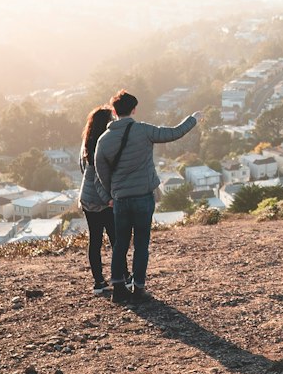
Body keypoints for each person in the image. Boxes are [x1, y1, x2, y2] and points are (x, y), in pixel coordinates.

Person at [94, 89, 200, 304]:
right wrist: (193, 120)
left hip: (121, 199)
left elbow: (100, 170)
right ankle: (139, 289)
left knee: (121, 243)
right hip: (143, 196)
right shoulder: (143, 130)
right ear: (134, 110)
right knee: (141, 243)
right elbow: (173, 133)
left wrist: (111, 194)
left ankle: (118, 289)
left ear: (114, 111)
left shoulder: (104, 140)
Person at [78, 105, 115, 293]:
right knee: (116, 238)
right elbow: (103, 175)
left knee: (95, 240)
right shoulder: (105, 143)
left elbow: (83, 169)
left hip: (86, 197)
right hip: (103, 198)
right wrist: (109, 197)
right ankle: (122, 276)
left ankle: (99, 282)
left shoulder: (87, 142)